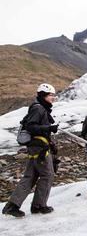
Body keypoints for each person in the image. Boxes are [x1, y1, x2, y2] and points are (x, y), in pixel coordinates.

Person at [2, 84, 58, 217]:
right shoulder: (38, 109)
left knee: (30, 176)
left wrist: (50, 142)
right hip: (39, 147)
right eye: (51, 95)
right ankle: (39, 205)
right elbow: (32, 127)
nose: (53, 98)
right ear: (43, 96)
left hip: (36, 146)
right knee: (47, 174)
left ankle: (12, 205)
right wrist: (49, 129)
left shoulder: (39, 108)